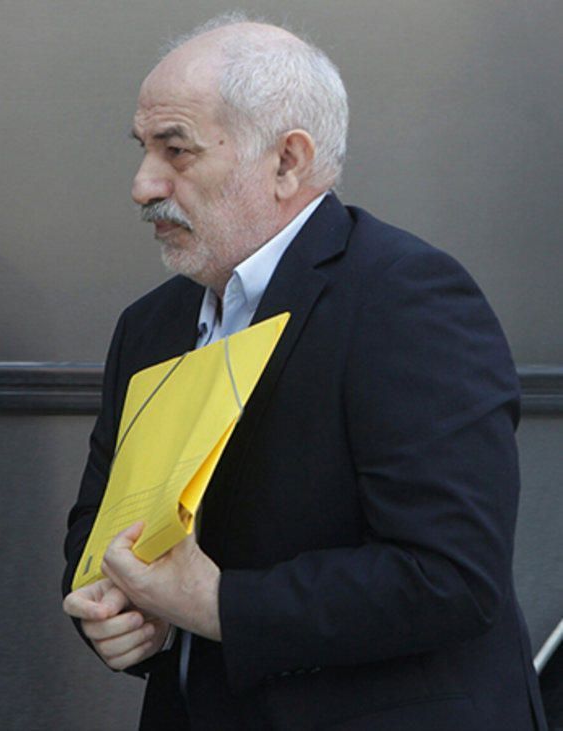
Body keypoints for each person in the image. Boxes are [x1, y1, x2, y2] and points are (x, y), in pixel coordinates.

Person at [61, 14, 546, 729]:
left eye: (176, 149)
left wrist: (218, 605)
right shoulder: (150, 325)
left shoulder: (406, 298)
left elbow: (451, 575)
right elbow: (99, 525)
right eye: (143, 149)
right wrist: (116, 612)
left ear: (287, 161)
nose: (142, 185)